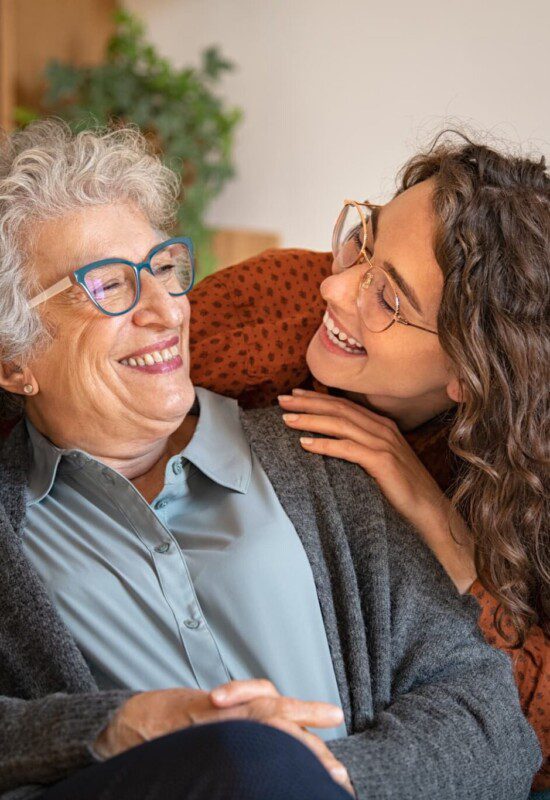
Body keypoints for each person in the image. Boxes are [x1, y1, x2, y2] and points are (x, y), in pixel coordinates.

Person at [0, 120, 540, 800]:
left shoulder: (332, 459)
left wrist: (320, 777)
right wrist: (115, 726)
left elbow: (491, 720)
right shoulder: (11, 526)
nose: (168, 310)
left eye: (165, 269)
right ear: (12, 359)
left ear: (464, 374)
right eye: (108, 285)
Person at [187, 132, 549, 792]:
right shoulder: (278, 306)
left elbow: (532, 732)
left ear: (469, 374)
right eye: (366, 239)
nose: (334, 285)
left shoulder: (525, 477)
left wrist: (438, 524)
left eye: (388, 298)